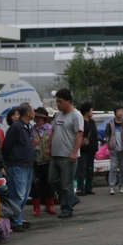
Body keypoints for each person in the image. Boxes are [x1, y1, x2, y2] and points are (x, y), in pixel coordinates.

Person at [46, 89, 84, 219]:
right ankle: (72, 198)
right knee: (52, 180)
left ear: (68, 101)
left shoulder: (76, 115)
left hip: (68, 155)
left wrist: (74, 152)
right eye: (57, 101)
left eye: (60, 101)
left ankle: (67, 208)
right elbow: (53, 132)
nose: (58, 104)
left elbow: (79, 135)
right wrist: (48, 148)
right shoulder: (58, 115)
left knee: (66, 184)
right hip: (56, 154)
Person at [2, 102, 36, 232]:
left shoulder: (27, 126)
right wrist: (5, 162)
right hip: (17, 164)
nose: (34, 113)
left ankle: (18, 218)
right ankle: (14, 221)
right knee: (17, 194)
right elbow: (6, 146)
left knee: (24, 194)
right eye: (33, 110)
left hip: (27, 165)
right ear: (28, 112)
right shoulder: (16, 127)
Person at [31, 108, 56, 215]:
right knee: (36, 185)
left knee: (49, 184)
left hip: (48, 161)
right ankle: (36, 208)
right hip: (36, 161)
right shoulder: (32, 130)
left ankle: (49, 206)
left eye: (40, 118)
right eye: (36, 117)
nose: (38, 120)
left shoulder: (50, 129)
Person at [103, 106, 123, 195]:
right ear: (115, 112)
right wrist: (108, 143)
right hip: (113, 149)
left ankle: (122, 186)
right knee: (113, 168)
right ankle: (112, 187)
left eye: (122, 111)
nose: (120, 113)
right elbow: (107, 135)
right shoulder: (110, 124)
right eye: (118, 111)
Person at [76, 102, 97, 196]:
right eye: (91, 110)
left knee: (90, 169)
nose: (92, 112)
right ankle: (81, 188)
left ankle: (89, 187)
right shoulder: (80, 121)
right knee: (81, 169)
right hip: (83, 149)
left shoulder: (92, 122)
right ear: (86, 111)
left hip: (91, 149)